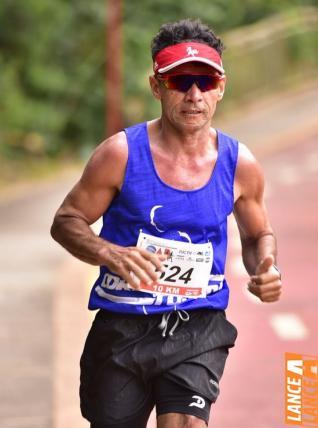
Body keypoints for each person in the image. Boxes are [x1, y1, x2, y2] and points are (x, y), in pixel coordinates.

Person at [51, 18, 282, 428]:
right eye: (181, 82)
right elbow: (67, 221)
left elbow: (257, 233)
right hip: (122, 327)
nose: (194, 95)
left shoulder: (239, 164)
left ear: (221, 88)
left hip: (199, 324)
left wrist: (265, 265)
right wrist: (110, 253)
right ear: (157, 86)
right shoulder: (119, 154)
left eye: (205, 83)